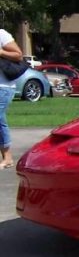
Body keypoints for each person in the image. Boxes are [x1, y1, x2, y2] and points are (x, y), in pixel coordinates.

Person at [0, 28, 23, 169]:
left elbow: (18, 55)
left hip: (3, 86)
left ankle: (7, 157)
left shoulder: (1, 34)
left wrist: (1, 52)